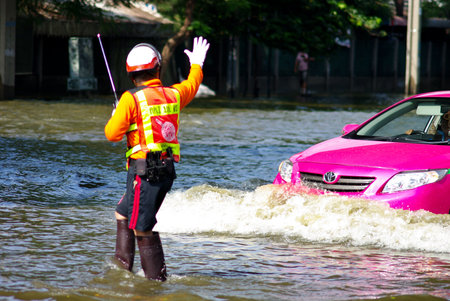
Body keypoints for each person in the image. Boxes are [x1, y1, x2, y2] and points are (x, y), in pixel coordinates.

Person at [104, 36, 210, 281]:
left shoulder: (130, 98)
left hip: (145, 174)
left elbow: (112, 134)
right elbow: (193, 84)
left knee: (143, 228)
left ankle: (156, 283)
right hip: (165, 171)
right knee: (122, 213)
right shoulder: (174, 94)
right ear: (158, 68)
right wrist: (197, 64)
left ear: (131, 74)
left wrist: (115, 115)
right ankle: (123, 270)